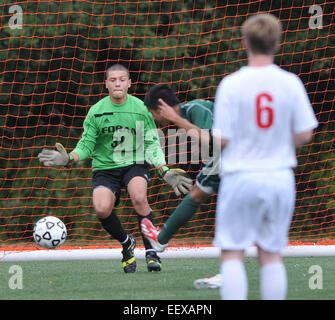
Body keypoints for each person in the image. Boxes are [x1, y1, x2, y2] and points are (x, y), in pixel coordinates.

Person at [38, 64, 193, 273]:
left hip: (135, 163)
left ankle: (152, 251)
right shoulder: (96, 111)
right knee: (102, 209)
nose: (117, 83)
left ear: (129, 83)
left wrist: (163, 168)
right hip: (104, 168)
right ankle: (126, 243)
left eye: (122, 79)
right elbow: (86, 145)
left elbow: (152, 143)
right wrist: (69, 158)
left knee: (139, 197)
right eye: (113, 80)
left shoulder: (140, 109)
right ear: (106, 84)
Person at [212, 14, 318, 299]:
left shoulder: (231, 84)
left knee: (232, 253)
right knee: (270, 254)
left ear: (244, 42)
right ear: (277, 43)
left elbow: (222, 139)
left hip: (240, 177)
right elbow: (306, 134)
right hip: (278, 176)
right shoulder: (291, 82)